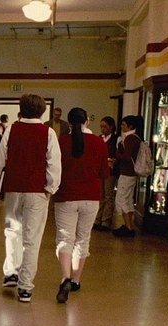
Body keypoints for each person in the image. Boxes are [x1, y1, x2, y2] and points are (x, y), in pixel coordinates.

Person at [0, 94, 61, 302]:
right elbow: (54, 164)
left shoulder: (12, 129)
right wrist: (51, 188)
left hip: (13, 188)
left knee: (12, 232)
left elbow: (0, 161)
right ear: (42, 111)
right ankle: (25, 287)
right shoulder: (48, 133)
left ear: (21, 109)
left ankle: (11, 272)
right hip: (37, 190)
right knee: (32, 239)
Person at [53, 107, 109, 303]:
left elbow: (54, 168)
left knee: (65, 238)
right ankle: (76, 280)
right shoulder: (99, 143)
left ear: (68, 123)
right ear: (87, 121)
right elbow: (104, 173)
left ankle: (65, 278)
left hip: (66, 196)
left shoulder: (61, 142)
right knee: (83, 238)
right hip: (91, 197)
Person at [112, 115, 143, 238]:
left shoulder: (130, 138)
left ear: (130, 126)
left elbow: (125, 156)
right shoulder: (137, 138)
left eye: (124, 125)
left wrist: (117, 153)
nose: (122, 127)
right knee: (128, 200)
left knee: (122, 199)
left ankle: (128, 226)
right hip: (132, 173)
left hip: (126, 173)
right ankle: (129, 225)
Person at [93, 116, 118, 231]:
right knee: (100, 195)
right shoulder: (99, 138)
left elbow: (117, 154)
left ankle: (106, 221)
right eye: (101, 127)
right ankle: (97, 219)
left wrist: (113, 160)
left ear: (111, 127)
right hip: (99, 170)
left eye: (105, 127)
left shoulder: (116, 139)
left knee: (108, 195)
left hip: (110, 170)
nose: (103, 129)